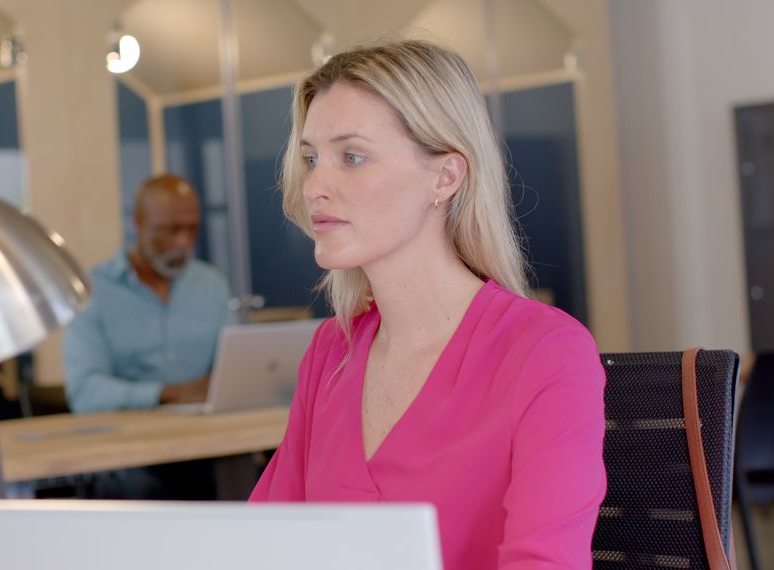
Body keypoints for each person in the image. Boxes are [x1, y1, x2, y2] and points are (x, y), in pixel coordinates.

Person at [248, 39, 606, 569]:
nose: (315, 186)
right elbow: (261, 547)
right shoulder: (332, 352)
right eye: (310, 159)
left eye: (351, 157)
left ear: (445, 177)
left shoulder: (545, 351)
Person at [63, 174, 231, 414]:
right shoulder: (92, 290)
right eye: (171, 230)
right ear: (139, 223)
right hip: (127, 440)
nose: (183, 242)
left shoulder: (212, 285)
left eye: (192, 229)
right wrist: (166, 393)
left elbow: (233, 371)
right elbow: (84, 393)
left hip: (210, 433)